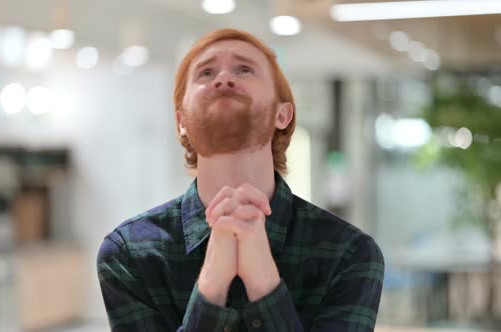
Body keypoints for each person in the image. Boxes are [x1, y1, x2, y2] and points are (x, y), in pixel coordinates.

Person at [97, 28, 384, 332]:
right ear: (181, 122)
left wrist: (264, 282)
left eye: (244, 69)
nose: (223, 79)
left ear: (282, 114)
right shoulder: (129, 254)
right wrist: (211, 284)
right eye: (206, 73)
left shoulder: (349, 254)